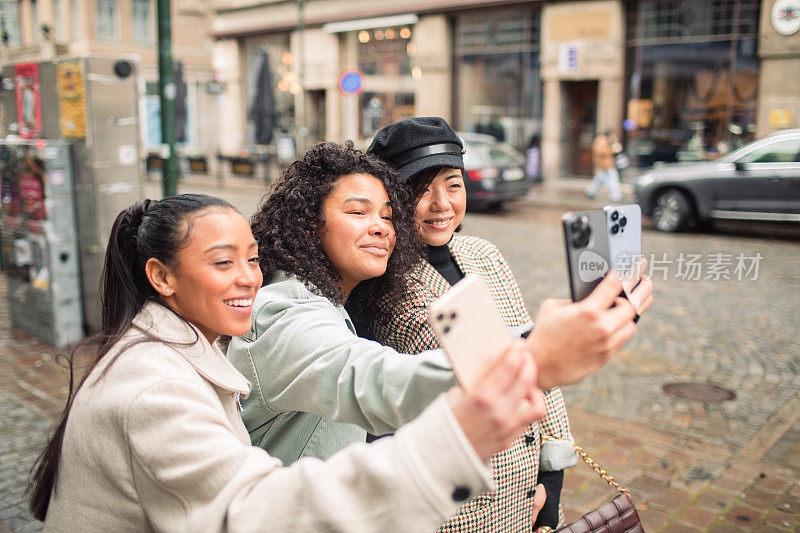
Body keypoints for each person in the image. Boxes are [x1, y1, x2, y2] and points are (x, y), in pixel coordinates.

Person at [28, 193, 550, 531]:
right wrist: (527, 363)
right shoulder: (157, 386)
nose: (248, 277)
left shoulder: (185, 345)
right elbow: (366, 379)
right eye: (222, 262)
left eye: (252, 258)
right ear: (163, 278)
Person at [227, 142, 652, 518]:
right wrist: (535, 359)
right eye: (358, 212)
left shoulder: (469, 257)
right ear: (306, 222)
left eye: (388, 215)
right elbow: (375, 380)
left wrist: (551, 470)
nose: (380, 226)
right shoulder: (284, 311)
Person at [362, 116, 573, 532]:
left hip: (532, 490)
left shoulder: (485, 254)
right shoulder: (379, 284)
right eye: (420, 189)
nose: (441, 203)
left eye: (453, 184)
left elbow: (538, 372)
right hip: (461, 508)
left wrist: (552, 480)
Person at [586, 128, 623, 202]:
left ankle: (590, 191)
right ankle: (615, 196)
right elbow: (601, 152)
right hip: (604, 164)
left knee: (599, 179)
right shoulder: (601, 140)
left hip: (607, 164)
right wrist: (612, 149)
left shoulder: (608, 140)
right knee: (612, 179)